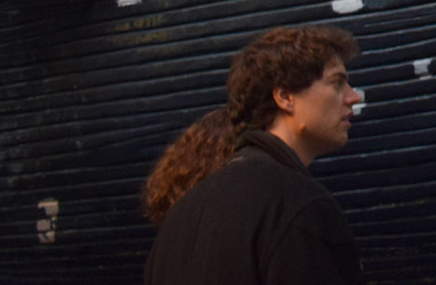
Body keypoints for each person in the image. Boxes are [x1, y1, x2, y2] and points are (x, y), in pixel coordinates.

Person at [143, 26, 365, 285]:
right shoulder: (298, 204)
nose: (353, 97)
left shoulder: (181, 215)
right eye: (337, 83)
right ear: (285, 97)